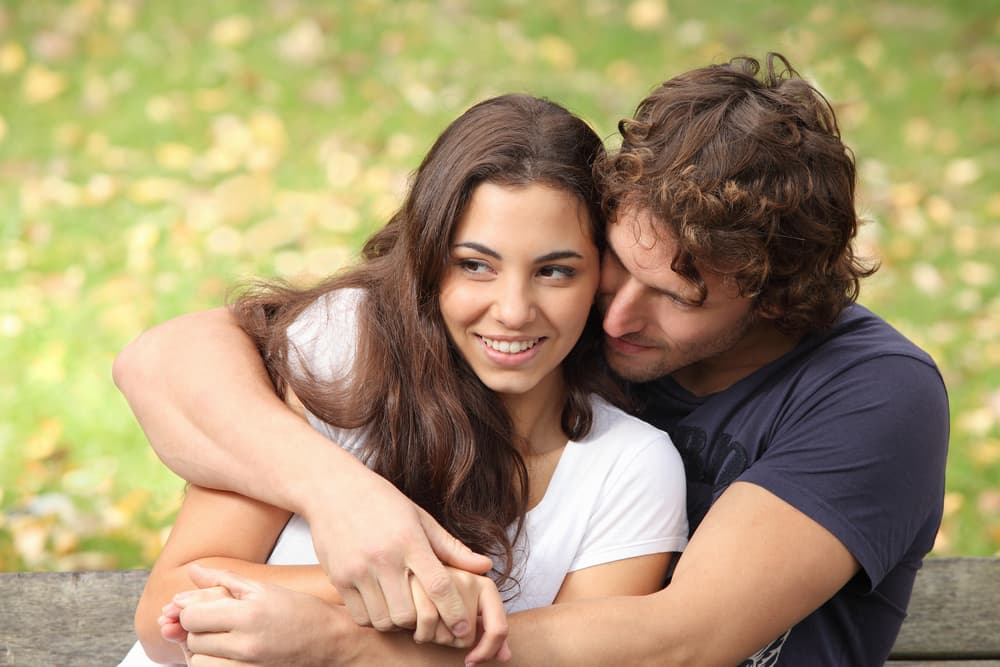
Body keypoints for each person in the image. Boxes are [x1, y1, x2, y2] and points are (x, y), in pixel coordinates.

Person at [114, 54, 949, 666]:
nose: (617, 317)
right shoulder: (545, 329)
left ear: (771, 297)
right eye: (616, 262)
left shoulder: (873, 397)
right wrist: (342, 497)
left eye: (675, 296)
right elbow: (164, 362)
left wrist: (345, 640)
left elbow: (681, 639)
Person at [116, 94, 688, 666]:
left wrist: (331, 637)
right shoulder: (344, 351)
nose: (513, 310)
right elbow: (163, 614)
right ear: (429, 262)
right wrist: (405, 585)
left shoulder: (629, 468)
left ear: (602, 276)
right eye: (475, 265)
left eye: (555, 271)